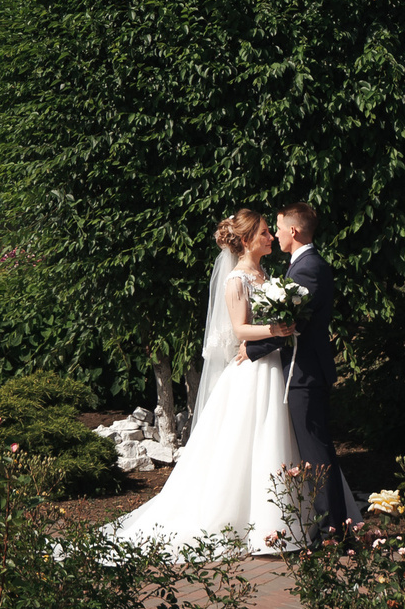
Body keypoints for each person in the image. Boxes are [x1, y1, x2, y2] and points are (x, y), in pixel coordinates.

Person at [105, 209, 303, 554]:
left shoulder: (264, 272)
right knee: (246, 441)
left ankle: (280, 516)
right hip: (252, 368)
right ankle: (245, 518)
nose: (271, 237)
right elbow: (239, 328)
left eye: (272, 232)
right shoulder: (236, 279)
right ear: (246, 241)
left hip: (270, 364)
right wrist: (276, 329)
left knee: (272, 435)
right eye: (265, 233)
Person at [242, 201, 353, 532]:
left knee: (316, 454)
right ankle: (333, 525)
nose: (275, 234)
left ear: (293, 231)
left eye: (277, 228)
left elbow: (292, 325)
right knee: (317, 451)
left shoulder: (307, 269)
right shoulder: (304, 265)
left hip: (304, 373)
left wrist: (251, 350)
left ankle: (331, 530)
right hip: (305, 371)